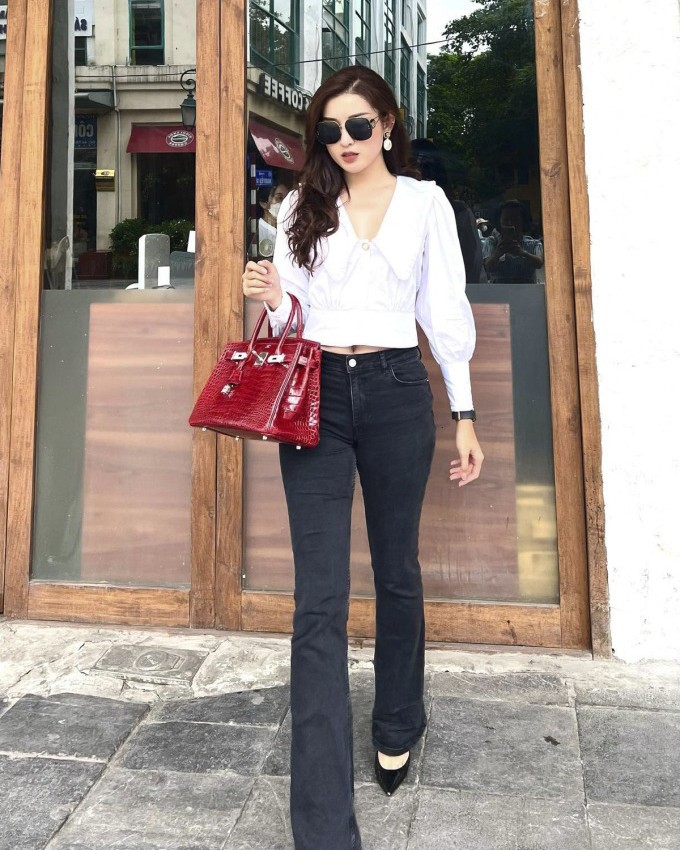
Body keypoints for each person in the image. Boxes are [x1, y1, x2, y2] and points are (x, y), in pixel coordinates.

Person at [241, 66, 483, 850]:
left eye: (357, 126)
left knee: (396, 570)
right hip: (316, 393)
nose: (343, 141)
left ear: (387, 124)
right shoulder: (300, 205)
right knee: (318, 600)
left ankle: (399, 716)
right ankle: (321, 828)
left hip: (396, 390)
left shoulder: (423, 203)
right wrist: (272, 297)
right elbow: (294, 317)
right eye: (329, 130)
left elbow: (443, 310)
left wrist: (465, 412)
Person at [482, 198, 544, 283]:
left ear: (523, 222)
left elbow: (539, 263)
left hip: (527, 290)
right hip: (498, 290)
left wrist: (522, 253)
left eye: (515, 220)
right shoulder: (491, 242)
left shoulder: (534, 244)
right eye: (506, 220)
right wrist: (498, 253)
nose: (510, 223)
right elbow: (487, 267)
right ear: (499, 222)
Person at [257, 181, 290, 258]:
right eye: (279, 198)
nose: (285, 203)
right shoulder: (256, 231)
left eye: (287, 199)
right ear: (263, 203)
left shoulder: (289, 230)